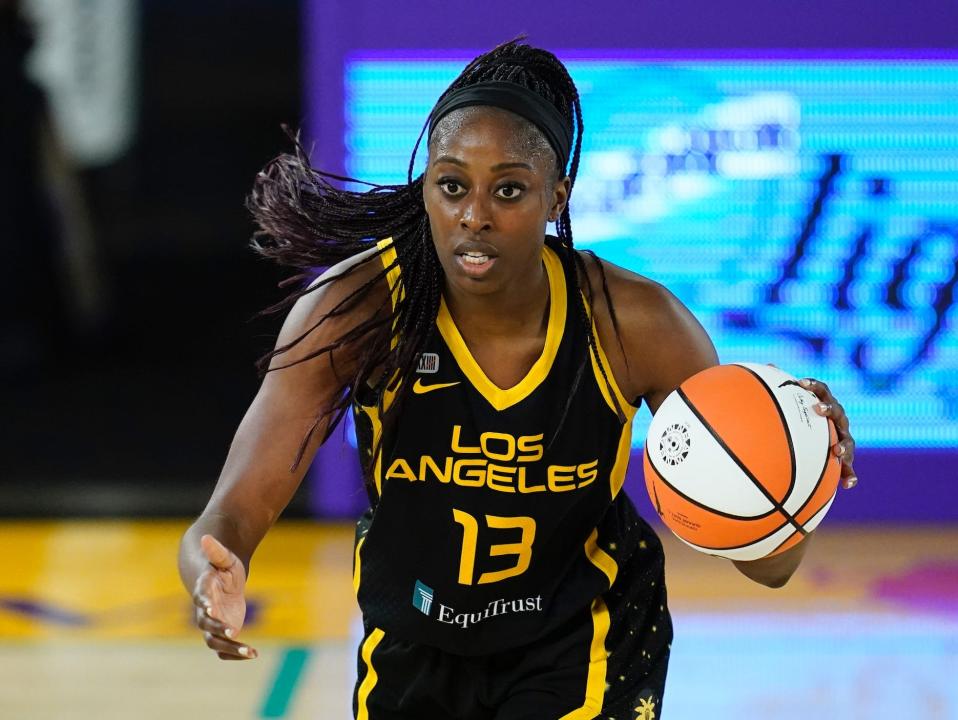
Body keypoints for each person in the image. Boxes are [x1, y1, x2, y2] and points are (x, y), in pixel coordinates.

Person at [178, 39, 857, 719]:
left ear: (557, 194)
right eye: (452, 186)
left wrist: (798, 468)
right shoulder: (356, 311)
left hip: (584, 642)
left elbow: (771, 565)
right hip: (411, 642)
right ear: (427, 190)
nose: (474, 215)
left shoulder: (636, 325)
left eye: (508, 189)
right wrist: (215, 567)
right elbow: (230, 513)